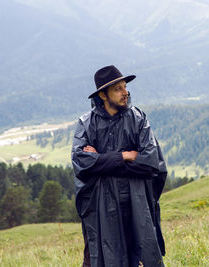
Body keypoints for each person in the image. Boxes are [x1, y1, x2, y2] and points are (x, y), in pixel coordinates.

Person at [71, 65, 167, 267]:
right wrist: (125, 155)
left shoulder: (138, 119)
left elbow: (150, 163)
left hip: (136, 202)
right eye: (118, 89)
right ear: (103, 95)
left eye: (125, 87)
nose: (126, 93)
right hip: (100, 206)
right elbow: (81, 163)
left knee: (140, 255)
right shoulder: (86, 124)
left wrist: (101, 160)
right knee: (99, 258)